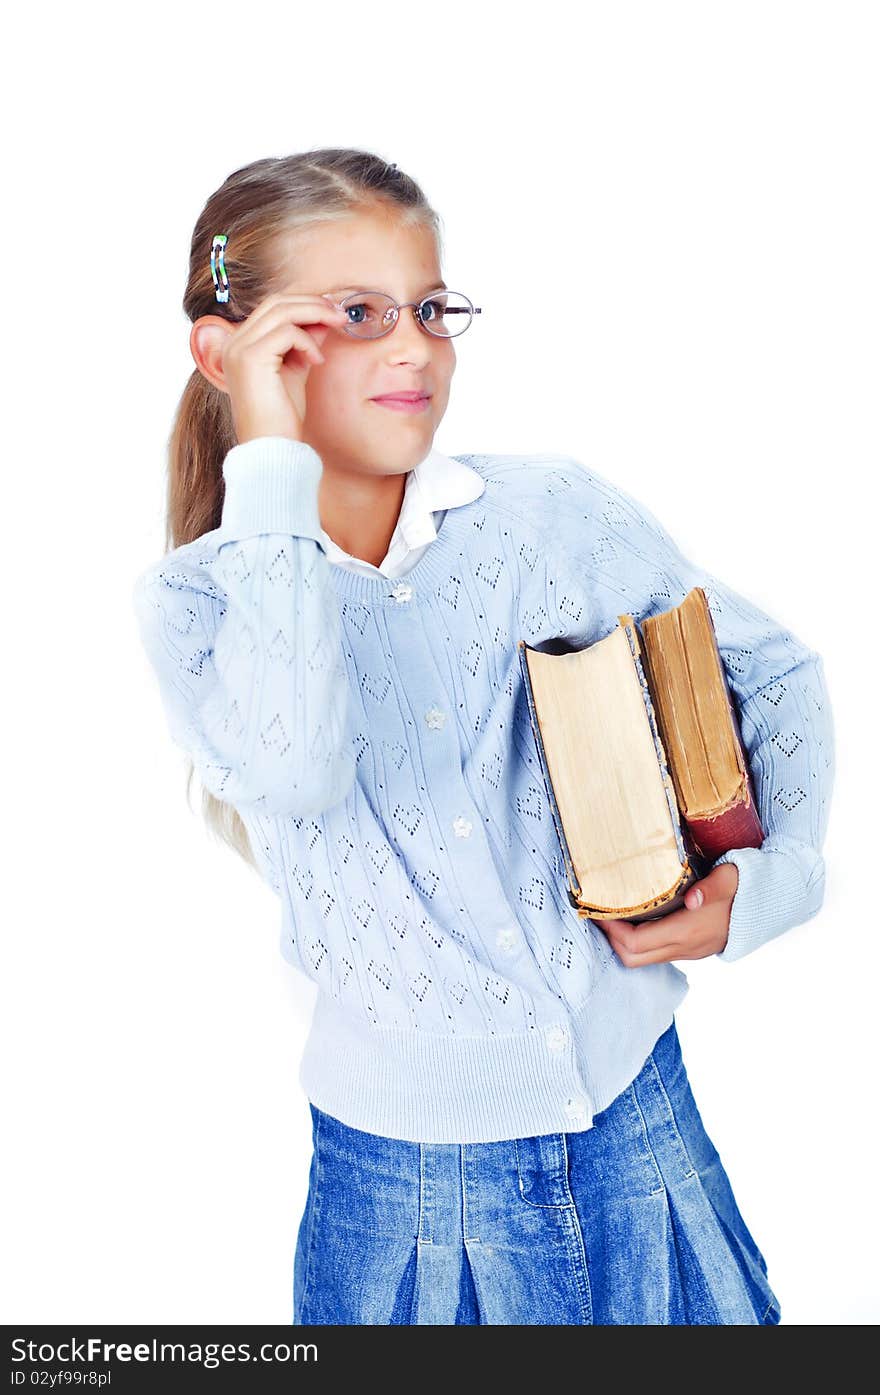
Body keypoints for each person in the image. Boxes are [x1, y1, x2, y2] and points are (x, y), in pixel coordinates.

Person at [131, 147, 834, 1325]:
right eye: (353, 315)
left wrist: (775, 879)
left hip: (645, 1136)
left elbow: (769, 672)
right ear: (227, 354)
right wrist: (269, 457)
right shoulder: (200, 605)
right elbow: (297, 762)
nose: (412, 347)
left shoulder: (547, 513)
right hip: (409, 1203)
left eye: (430, 308)